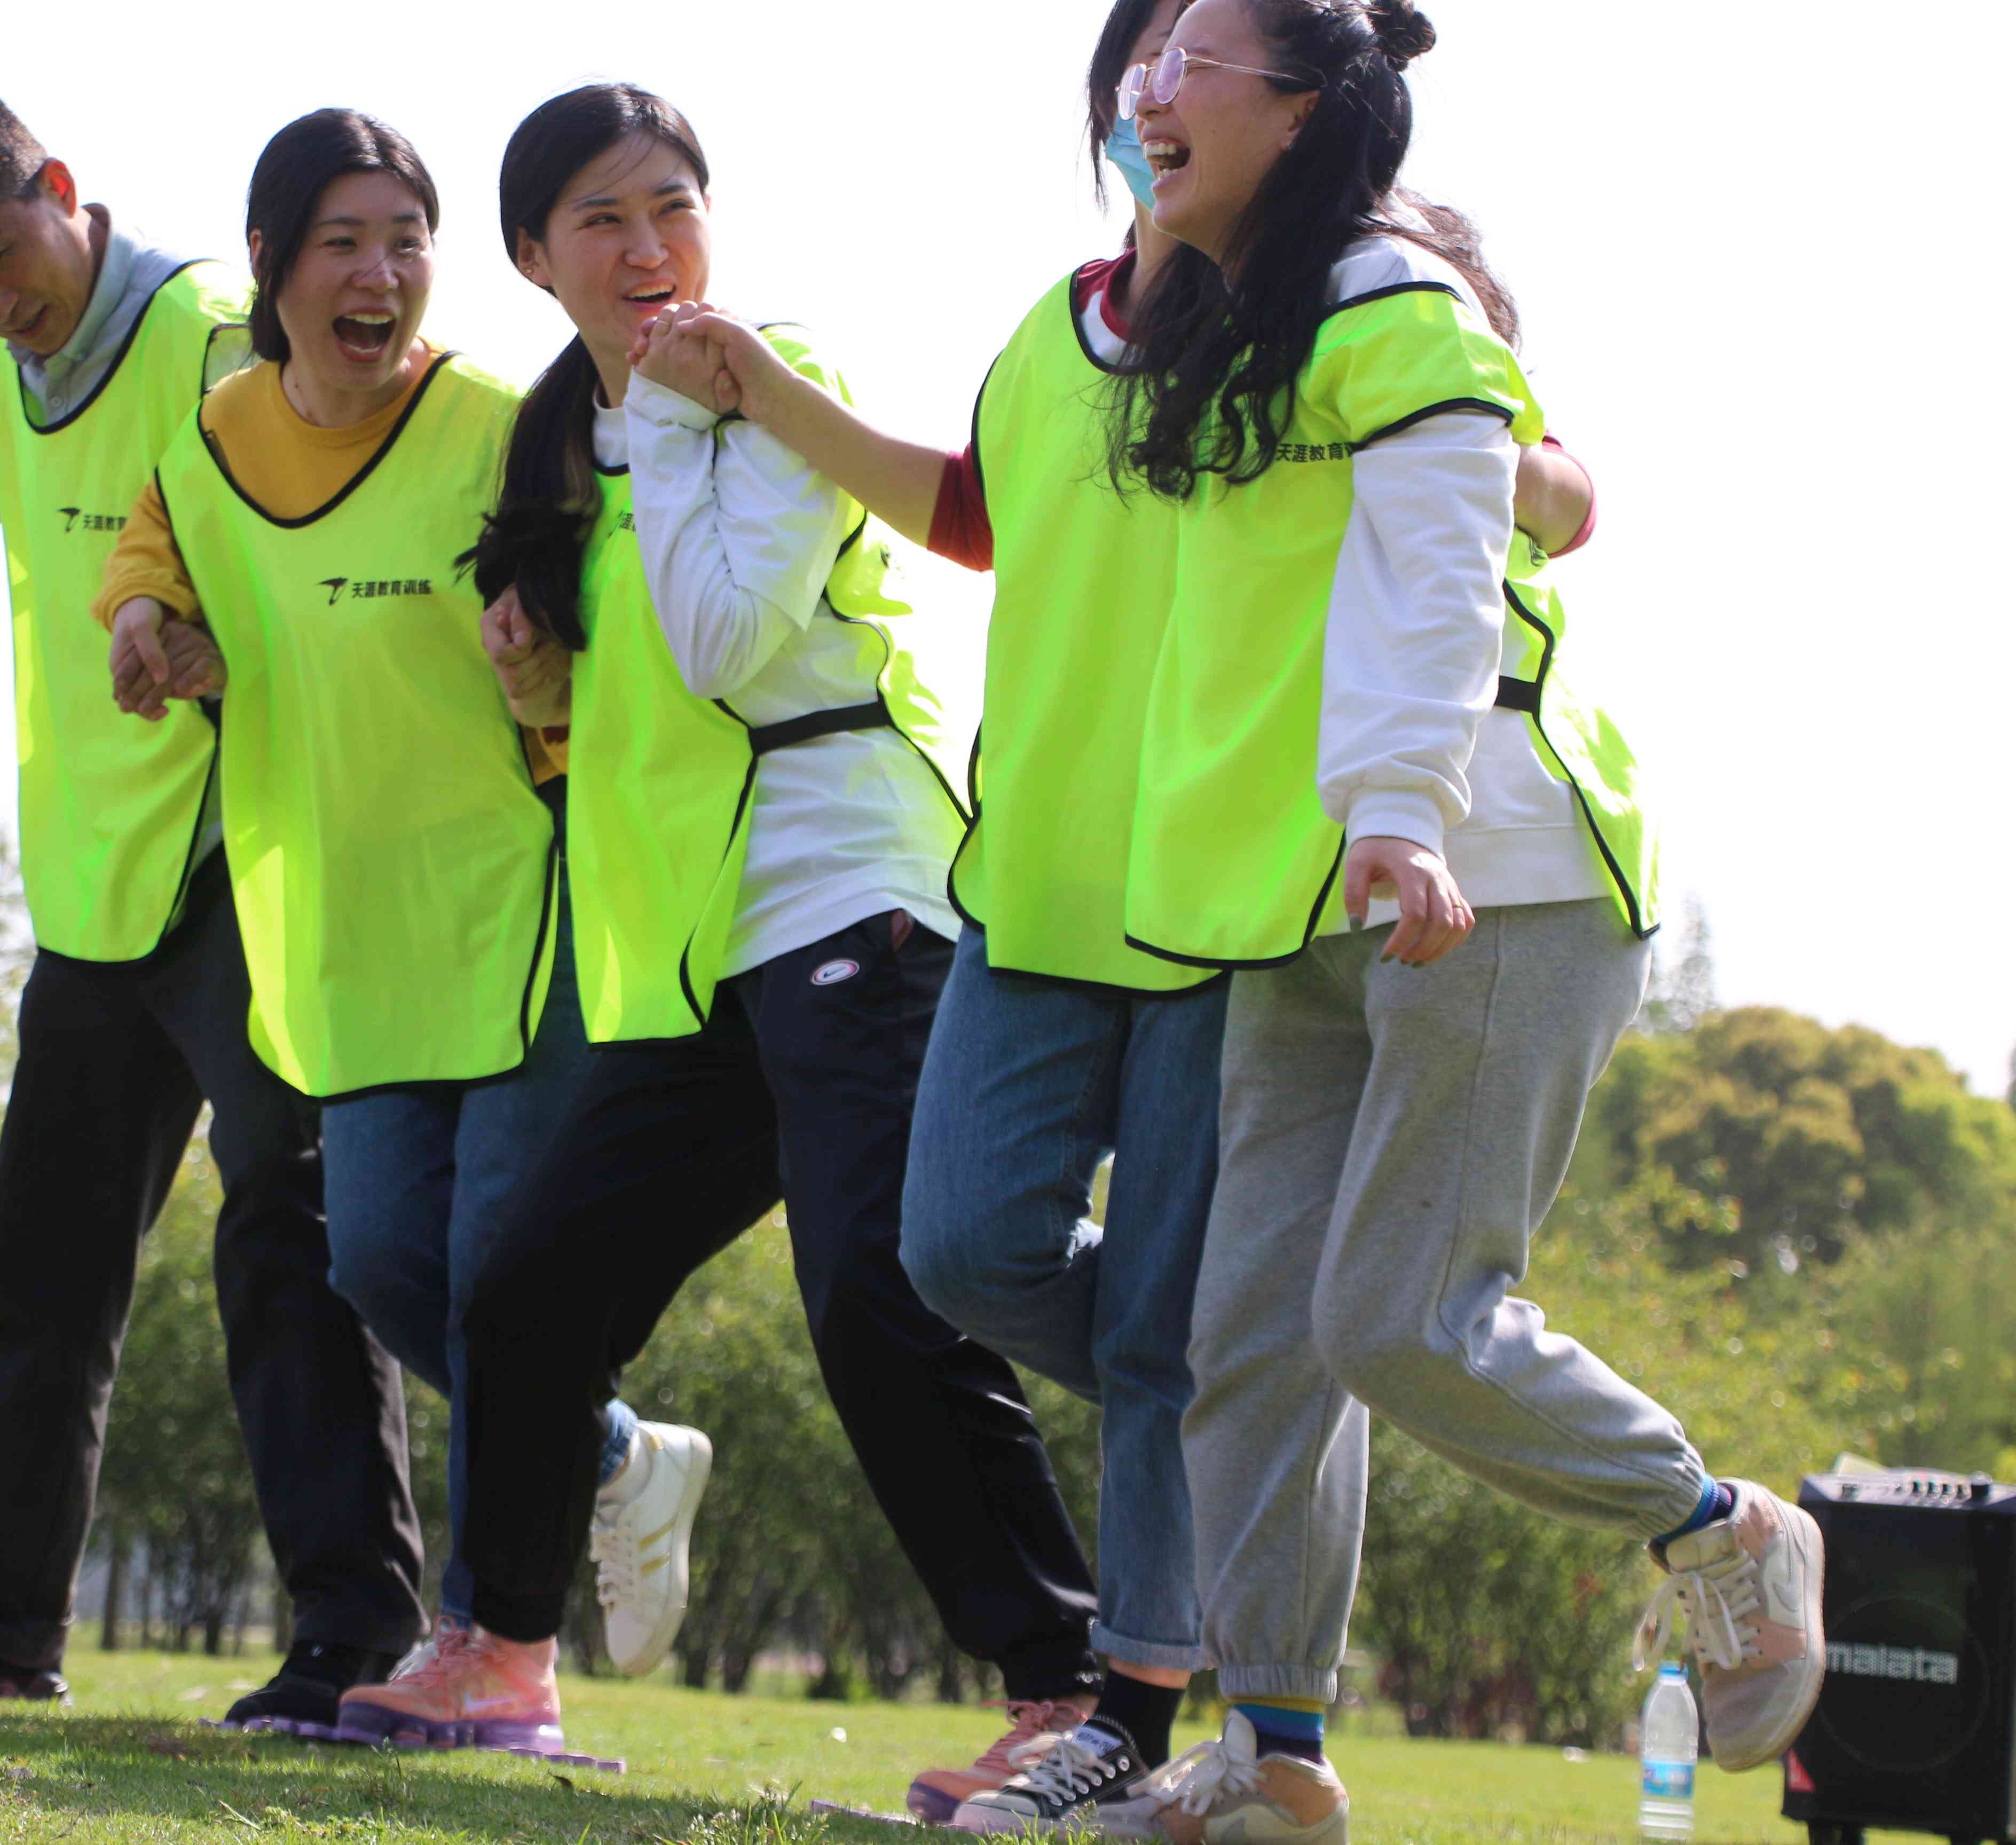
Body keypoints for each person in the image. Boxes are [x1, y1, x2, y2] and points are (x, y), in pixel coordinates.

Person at [690, 2, 1818, 1834]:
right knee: (1235, 1338)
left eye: (1196, 55)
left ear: (1310, 113)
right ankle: (1269, 1756)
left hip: (1489, 874)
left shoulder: (1385, 303)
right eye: (1140, 60)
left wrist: (1400, 794)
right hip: (1285, 906)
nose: (1146, 88)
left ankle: (1723, 1525)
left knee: (1383, 1328)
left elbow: (1445, 570)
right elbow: (1053, 546)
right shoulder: (1178, 353)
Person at [336, 85, 1107, 1797]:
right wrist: (539, 665)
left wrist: (686, 416)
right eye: (602, 221)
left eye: (674, 206)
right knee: (526, 1287)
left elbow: (718, 637)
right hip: (705, 956)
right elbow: (622, 711)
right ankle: (501, 1662)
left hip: (858, 899)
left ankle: (1074, 1695)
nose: (649, 248)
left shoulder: (759, 385)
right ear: (532, 258)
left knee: (880, 1292)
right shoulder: (577, 434)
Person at [94, 108, 708, 1745]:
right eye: (344, 245)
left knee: (503, 1272)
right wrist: (151, 626)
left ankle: (491, 1659)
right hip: (348, 930)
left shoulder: (510, 427)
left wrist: (545, 677)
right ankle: (613, 1458)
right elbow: (153, 562)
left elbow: (611, 656)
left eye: (407, 242)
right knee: (377, 1262)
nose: (382, 276)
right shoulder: (213, 436)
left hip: (519, 904)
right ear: (273, 272)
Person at [0, 88, 426, 1722]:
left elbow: (307, 497)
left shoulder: (204, 324)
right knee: (40, 1267)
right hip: (101, 881)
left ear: (60, 189)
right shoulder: (16, 345)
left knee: (289, 1242)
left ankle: (355, 1639)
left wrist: (185, 620)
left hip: (245, 850)